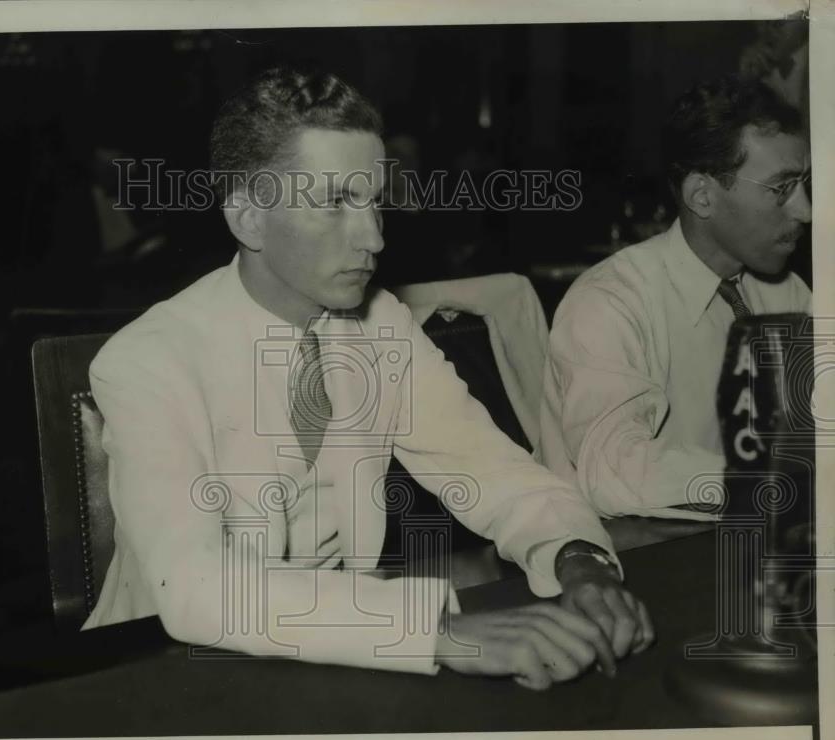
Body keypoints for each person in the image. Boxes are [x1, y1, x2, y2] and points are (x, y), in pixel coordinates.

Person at [83, 66, 653, 688]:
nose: (374, 237)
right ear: (247, 218)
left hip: (332, 663)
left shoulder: (382, 325)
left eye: (375, 200)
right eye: (335, 203)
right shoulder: (144, 361)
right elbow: (194, 588)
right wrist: (438, 633)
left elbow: (493, 473)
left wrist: (579, 558)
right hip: (163, 678)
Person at [539, 76, 812, 519]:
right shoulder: (610, 302)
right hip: (616, 559)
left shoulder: (786, 292)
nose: (805, 210)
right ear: (702, 196)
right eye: (782, 188)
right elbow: (615, 471)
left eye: (804, 184)